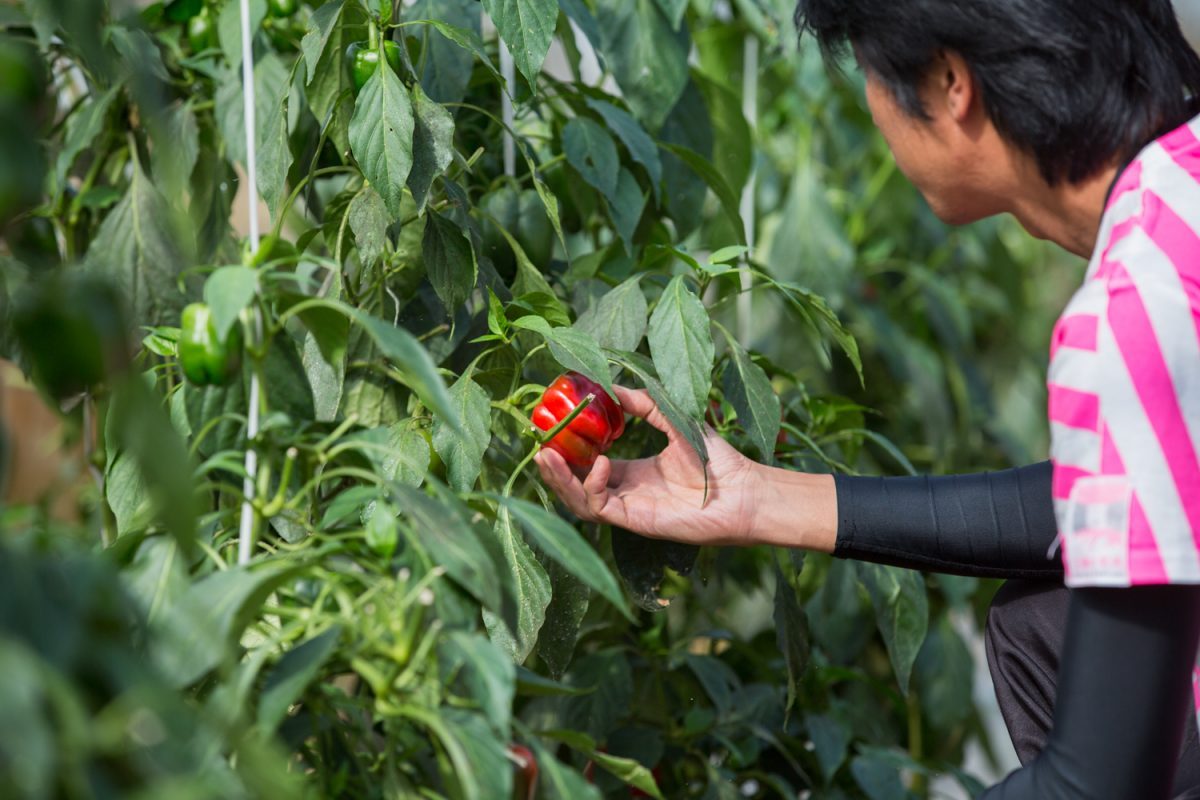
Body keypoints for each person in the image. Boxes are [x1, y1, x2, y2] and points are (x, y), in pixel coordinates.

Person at [534, 0, 1200, 796]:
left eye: (874, 75)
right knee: (1044, 613)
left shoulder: (1140, 308)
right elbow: (1114, 502)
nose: (872, 105)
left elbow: (1097, 786)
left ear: (952, 82)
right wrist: (756, 499)